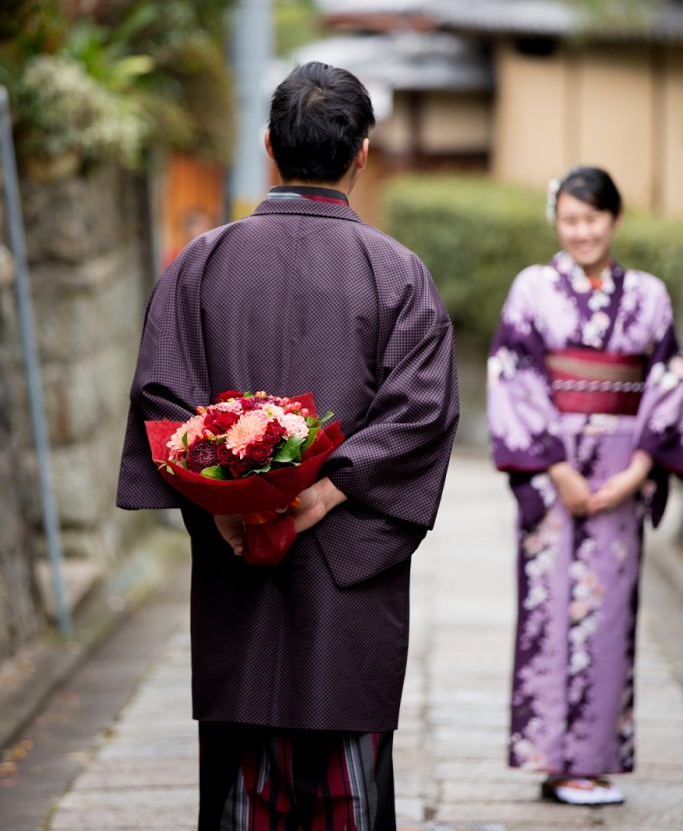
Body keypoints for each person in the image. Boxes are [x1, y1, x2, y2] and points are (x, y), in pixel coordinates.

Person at [117, 61, 459, 830]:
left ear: (269, 145)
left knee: (242, 785)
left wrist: (226, 509)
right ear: (362, 153)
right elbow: (421, 412)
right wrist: (329, 491)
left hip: (238, 563)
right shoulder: (397, 276)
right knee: (347, 785)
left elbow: (162, 399)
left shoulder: (199, 265)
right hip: (349, 567)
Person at [487, 166, 683, 806]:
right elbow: (513, 377)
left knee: (610, 614)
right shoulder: (532, 289)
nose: (582, 232)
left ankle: (594, 761)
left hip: (625, 467)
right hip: (553, 471)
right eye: (570, 220)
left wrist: (638, 470)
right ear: (557, 221)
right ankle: (554, 760)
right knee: (550, 611)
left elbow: (667, 382)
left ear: (614, 220)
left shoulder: (651, 295)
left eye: (592, 219)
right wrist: (559, 469)